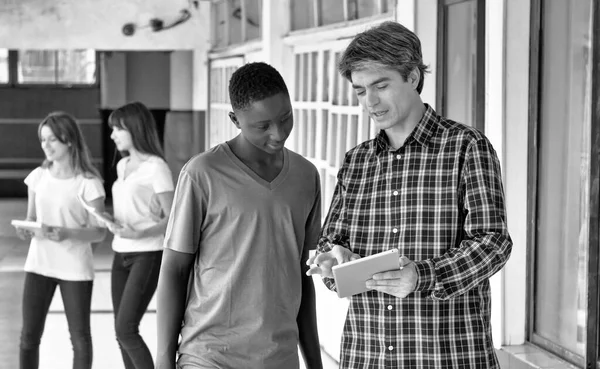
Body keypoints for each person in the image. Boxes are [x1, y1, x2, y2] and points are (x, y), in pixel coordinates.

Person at [307, 21, 513, 368]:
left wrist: (421, 275)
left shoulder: (466, 147)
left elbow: (493, 242)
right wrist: (330, 261)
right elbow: (331, 243)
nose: (370, 101)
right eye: (359, 91)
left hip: (447, 357)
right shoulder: (356, 162)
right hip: (366, 355)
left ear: (413, 76)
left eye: (380, 85)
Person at [155, 62, 323, 369]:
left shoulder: (305, 176)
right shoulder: (202, 174)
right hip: (209, 356)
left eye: (286, 118)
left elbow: (300, 273)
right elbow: (174, 270)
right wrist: (163, 361)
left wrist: (314, 361)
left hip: (279, 358)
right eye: (262, 126)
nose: (278, 133)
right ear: (235, 119)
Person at [15, 112, 107, 369]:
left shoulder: (89, 183)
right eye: (43, 139)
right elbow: (32, 218)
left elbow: (99, 232)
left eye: (52, 139)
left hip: (75, 268)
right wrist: (27, 229)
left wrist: (68, 234)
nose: (46, 145)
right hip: (38, 264)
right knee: (29, 337)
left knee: (79, 338)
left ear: (69, 140)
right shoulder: (38, 177)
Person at [106, 101, 174, 369]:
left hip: (147, 254)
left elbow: (173, 220)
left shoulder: (157, 167)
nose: (112, 135)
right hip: (119, 251)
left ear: (134, 128)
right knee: (120, 331)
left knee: (126, 329)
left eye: (117, 129)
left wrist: (140, 231)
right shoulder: (122, 166)